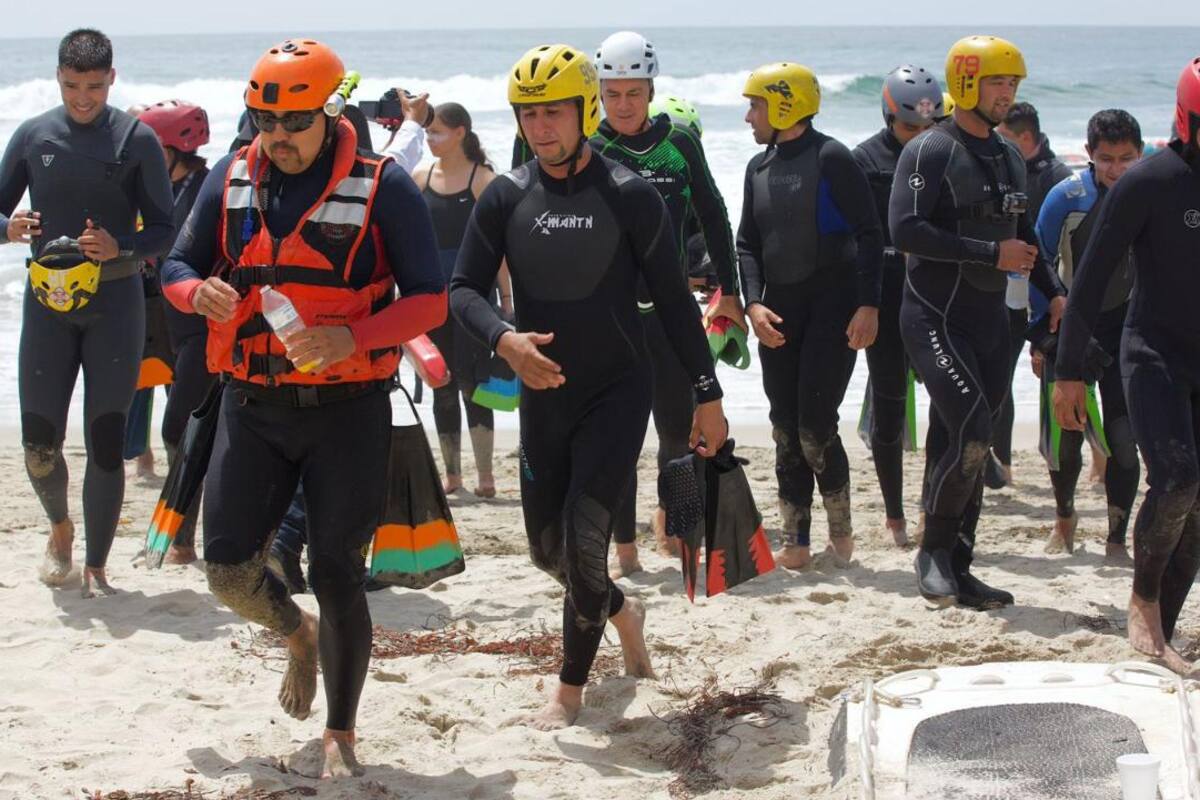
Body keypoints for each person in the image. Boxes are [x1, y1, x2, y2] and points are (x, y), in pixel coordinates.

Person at [160, 39, 445, 775]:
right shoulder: (228, 177)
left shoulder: (384, 186)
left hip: (347, 410)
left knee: (339, 574)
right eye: (264, 122)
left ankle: (341, 732)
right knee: (225, 571)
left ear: (329, 112)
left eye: (292, 123)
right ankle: (298, 635)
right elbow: (177, 265)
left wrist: (351, 333)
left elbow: (429, 301)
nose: (276, 138)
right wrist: (199, 292)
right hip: (251, 406)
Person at [450, 43, 727, 730]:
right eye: (529, 114)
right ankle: (623, 613)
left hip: (616, 388)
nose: (542, 127)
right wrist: (504, 339)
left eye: (554, 112)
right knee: (548, 553)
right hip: (544, 395)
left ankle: (568, 688)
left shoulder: (629, 197)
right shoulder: (507, 197)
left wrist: (707, 391)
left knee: (582, 540)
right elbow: (461, 290)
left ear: (581, 110)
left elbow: (670, 298)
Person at [889, 35, 1066, 609]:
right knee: (971, 432)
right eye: (997, 82)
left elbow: (1025, 238)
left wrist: (1055, 292)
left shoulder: (1009, 154)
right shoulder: (930, 150)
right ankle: (932, 553)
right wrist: (991, 256)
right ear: (966, 82)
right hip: (933, 318)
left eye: (1013, 84)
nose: (1007, 94)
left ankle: (959, 564)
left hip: (991, 321)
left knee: (960, 438)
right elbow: (907, 231)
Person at [0, 29, 175, 596]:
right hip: (47, 306)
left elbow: (166, 232)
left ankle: (98, 564)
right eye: (73, 86)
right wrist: (8, 228)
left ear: (112, 80)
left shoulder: (136, 139)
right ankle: (60, 528)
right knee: (37, 442)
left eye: (94, 87)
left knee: (105, 439)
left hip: (116, 306)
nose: (83, 98)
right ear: (58, 77)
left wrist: (120, 245)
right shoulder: (33, 135)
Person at [1053, 58, 1200, 674]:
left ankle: (1161, 624)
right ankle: (1142, 603)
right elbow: (1087, 283)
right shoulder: (1151, 181)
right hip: (1153, 352)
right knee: (1176, 479)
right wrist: (1068, 373)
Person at [590, 30, 743, 576]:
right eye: (613, 93)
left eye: (634, 92)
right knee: (618, 438)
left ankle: (681, 536)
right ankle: (625, 548)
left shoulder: (678, 140)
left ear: (651, 89)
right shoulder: (591, 148)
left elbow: (716, 215)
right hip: (612, 319)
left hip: (672, 313)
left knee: (678, 433)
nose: (624, 104)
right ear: (600, 92)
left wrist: (733, 294)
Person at [738, 62, 883, 570]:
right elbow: (747, 245)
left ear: (783, 104)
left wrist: (869, 304)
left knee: (815, 425)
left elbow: (870, 233)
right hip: (779, 311)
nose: (748, 116)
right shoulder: (757, 168)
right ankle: (796, 540)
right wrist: (753, 303)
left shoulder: (832, 158)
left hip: (834, 308)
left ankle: (840, 534)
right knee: (784, 426)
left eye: (755, 104)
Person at [1032, 109, 1142, 562]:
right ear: (1089, 154)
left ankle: (1116, 538)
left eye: (1126, 158)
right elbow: (1036, 265)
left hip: (1128, 331)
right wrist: (1040, 335)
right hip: (1070, 328)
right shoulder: (1066, 197)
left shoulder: (1149, 194)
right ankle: (1065, 519)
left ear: (1139, 154)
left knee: (1124, 442)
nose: (1116, 169)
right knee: (1065, 442)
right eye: (1106, 159)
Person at [853, 64, 943, 547]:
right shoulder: (864, 161)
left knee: (946, 410)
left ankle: (934, 505)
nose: (921, 137)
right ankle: (894, 516)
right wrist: (864, 304)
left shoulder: (949, 154)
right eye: (911, 127)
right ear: (889, 115)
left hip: (939, 300)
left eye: (930, 127)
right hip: (887, 299)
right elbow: (855, 241)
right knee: (890, 408)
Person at [411, 103, 511, 498]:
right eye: (428, 132)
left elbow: (500, 248)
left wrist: (505, 298)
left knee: (474, 384)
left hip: (474, 294)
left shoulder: (482, 179)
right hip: (431, 294)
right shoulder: (420, 177)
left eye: (437, 132)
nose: (431, 139)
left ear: (461, 133)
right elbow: (409, 241)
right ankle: (453, 476)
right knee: (441, 382)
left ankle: (485, 476)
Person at [137, 99, 215, 565]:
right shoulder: (161, 189)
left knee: (178, 429)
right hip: (170, 327)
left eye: (151, 148)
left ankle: (180, 540)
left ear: (176, 148)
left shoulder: (205, 189)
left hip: (205, 330)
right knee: (186, 429)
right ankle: (180, 538)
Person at [990, 102, 1074, 489]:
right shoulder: (1005, 169)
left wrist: (1053, 302)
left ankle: (1094, 463)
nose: (997, 142)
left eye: (1005, 136)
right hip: (1009, 291)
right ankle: (1002, 463)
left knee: (1064, 384)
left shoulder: (1058, 178)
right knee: (1000, 382)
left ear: (1024, 137)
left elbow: (1057, 251)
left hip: (1048, 294)